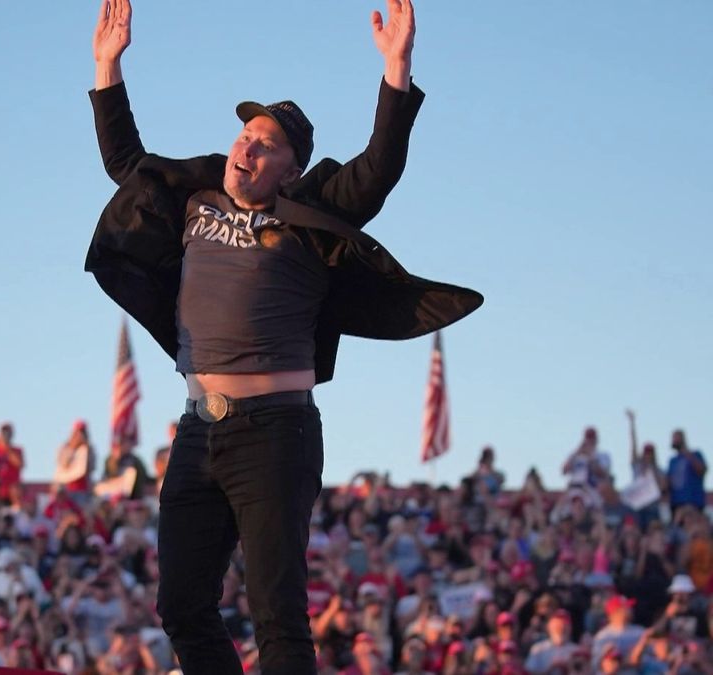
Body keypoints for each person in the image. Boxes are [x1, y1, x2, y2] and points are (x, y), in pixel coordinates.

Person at [87, 0, 480, 672]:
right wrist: (107, 66)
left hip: (275, 430)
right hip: (197, 430)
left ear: (291, 169)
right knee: (181, 605)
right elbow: (128, 163)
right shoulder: (196, 198)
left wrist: (397, 68)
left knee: (277, 616)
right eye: (245, 135)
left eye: (266, 144)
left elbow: (377, 168)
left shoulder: (308, 214)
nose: (247, 147)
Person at [667, 429, 706, 514]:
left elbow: (702, 470)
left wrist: (687, 453)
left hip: (694, 502)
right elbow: (668, 482)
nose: (673, 440)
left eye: (675, 437)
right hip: (676, 503)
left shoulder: (696, 454)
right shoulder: (672, 461)